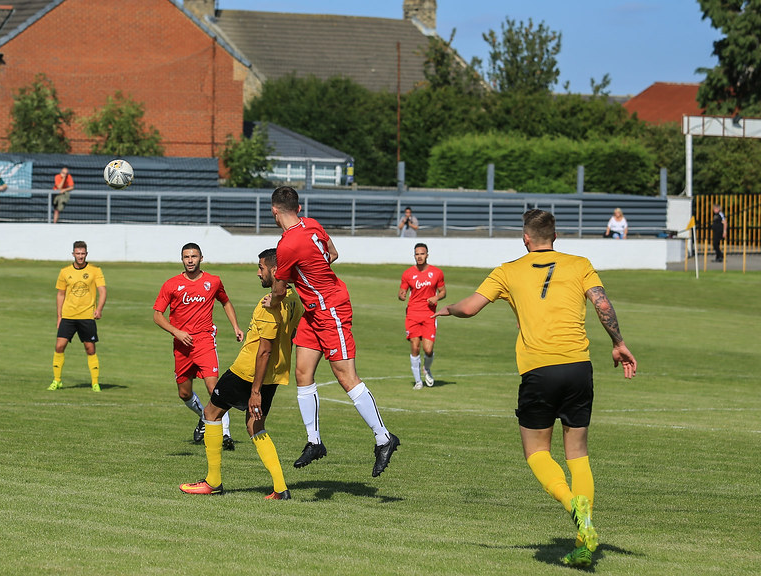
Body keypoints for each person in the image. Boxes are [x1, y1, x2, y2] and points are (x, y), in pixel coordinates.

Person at [433, 209, 637, 568]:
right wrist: (618, 342)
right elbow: (601, 302)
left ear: (525, 238)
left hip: (539, 371)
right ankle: (582, 541)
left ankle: (574, 508)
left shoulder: (507, 271)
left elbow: (470, 307)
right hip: (578, 367)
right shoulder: (579, 263)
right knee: (577, 453)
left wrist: (444, 309)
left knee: (536, 452)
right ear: (554, 237)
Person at [267, 186, 400, 477]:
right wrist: (315, 272)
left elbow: (278, 287)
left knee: (345, 376)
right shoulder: (312, 224)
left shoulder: (286, 246)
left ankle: (384, 437)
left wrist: (274, 299)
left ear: (275, 211)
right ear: (298, 208)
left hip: (331, 310)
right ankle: (314, 441)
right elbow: (333, 253)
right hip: (314, 311)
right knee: (303, 372)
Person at [179, 248, 303, 499]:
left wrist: (254, 391)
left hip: (247, 372)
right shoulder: (293, 299)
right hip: (273, 375)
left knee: (211, 413)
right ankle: (280, 488)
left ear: (275, 271)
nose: (258, 273)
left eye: (261, 268)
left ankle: (213, 482)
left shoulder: (268, 306)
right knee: (255, 425)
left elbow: (264, 351)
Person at [153, 243, 244, 450]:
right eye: (186, 257)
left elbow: (226, 302)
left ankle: (226, 434)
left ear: (201, 257)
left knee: (215, 390)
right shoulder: (171, 285)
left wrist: (236, 326)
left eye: (194, 256)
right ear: (182, 260)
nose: (190, 260)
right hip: (181, 345)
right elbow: (157, 315)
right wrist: (176, 331)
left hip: (204, 342)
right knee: (184, 393)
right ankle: (204, 416)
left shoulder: (213, 281)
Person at [48, 241, 107, 392]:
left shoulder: (95, 270)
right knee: (59, 346)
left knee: (90, 349)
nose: (80, 256)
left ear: (86, 254)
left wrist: (99, 309)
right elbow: (60, 294)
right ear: (73, 254)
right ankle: (57, 380)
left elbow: (103, 291)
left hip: (87, 316)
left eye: (83, 254)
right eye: (77, 253)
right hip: (68, 316)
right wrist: (59, 316)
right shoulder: (64, 271)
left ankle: (95, 382)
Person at [398, 243, 446, 389]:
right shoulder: (408, 274)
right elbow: (401, 292)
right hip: (412, 314)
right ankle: (418, 381)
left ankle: (427, 368)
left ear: (427, 255)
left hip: (429, 315)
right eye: (417, 254)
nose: (419, 256)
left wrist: (436, 298)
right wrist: (401, 295)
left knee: (428, 349)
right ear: (414, 256)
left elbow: (443, 292)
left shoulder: (437, 273)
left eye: (422, 254)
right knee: (415, 346)